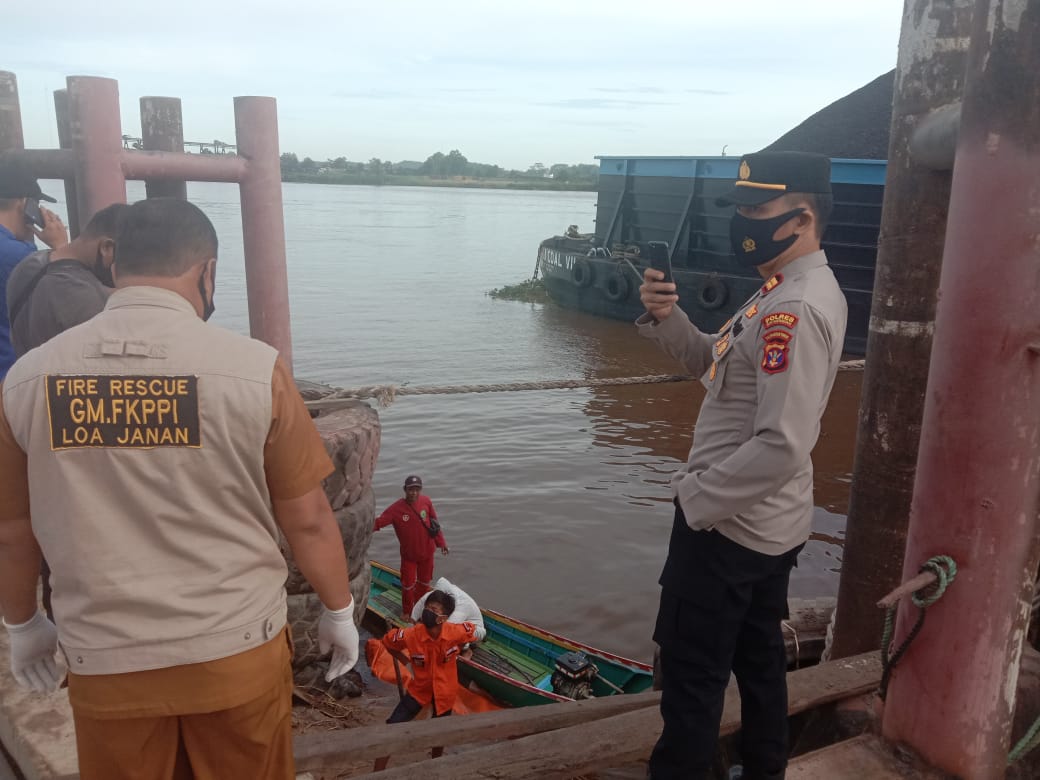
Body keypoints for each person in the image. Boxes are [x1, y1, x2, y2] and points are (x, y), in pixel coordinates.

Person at [0, 198, 359, 780]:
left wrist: (23, 627)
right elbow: (310, 518)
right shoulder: (252, 370)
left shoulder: (27, 379)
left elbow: (13, 533)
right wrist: (339, 611)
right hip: (237, 653)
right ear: (207, 272)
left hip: (106, 659)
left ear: (112, 263)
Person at [637, 151, 847, 780]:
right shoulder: (778, 290)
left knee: (691, 677)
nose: (744, 220)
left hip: (727, 527)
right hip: (769, 525)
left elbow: (783, 443)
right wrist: (666, 315)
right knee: (759, 663)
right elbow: (713, 364)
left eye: (758, 209)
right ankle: (765, 769)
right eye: (742, 208)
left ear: (803, 216)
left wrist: (696, 499)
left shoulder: (794, 309)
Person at [7, 202, 128, 358]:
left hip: (27, 372)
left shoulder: (29, 263)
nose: (128, 269)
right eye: (128, 260)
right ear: (107, 247)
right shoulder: (85, 297)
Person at [0, 155, 68, 380]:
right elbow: (65, 300)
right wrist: (61, 247)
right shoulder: (20, 256)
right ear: (24, 204)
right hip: (9, 376)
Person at [374, 474, 449, 617]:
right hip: (409, 556)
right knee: (407, 586)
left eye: (417, 489)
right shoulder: (396, 509)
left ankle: (419, 608)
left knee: (424, 583)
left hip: (427, 554)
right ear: (405, 489)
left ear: (420, 490)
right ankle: (407, 612)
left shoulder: (426, 501)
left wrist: (442, 543)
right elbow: (379, 523)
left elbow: (435, 524)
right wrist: (360, 527)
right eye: (410, 489)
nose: (414, 492)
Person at [411, 576, 487, 644]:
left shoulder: (461, 607)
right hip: (451, 621)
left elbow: (446, 630)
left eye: (434, 609)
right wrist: (413, 626)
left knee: (453, 635)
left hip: (475, 630)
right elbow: (416, 612)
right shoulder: (435, 595)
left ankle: (466, 648)